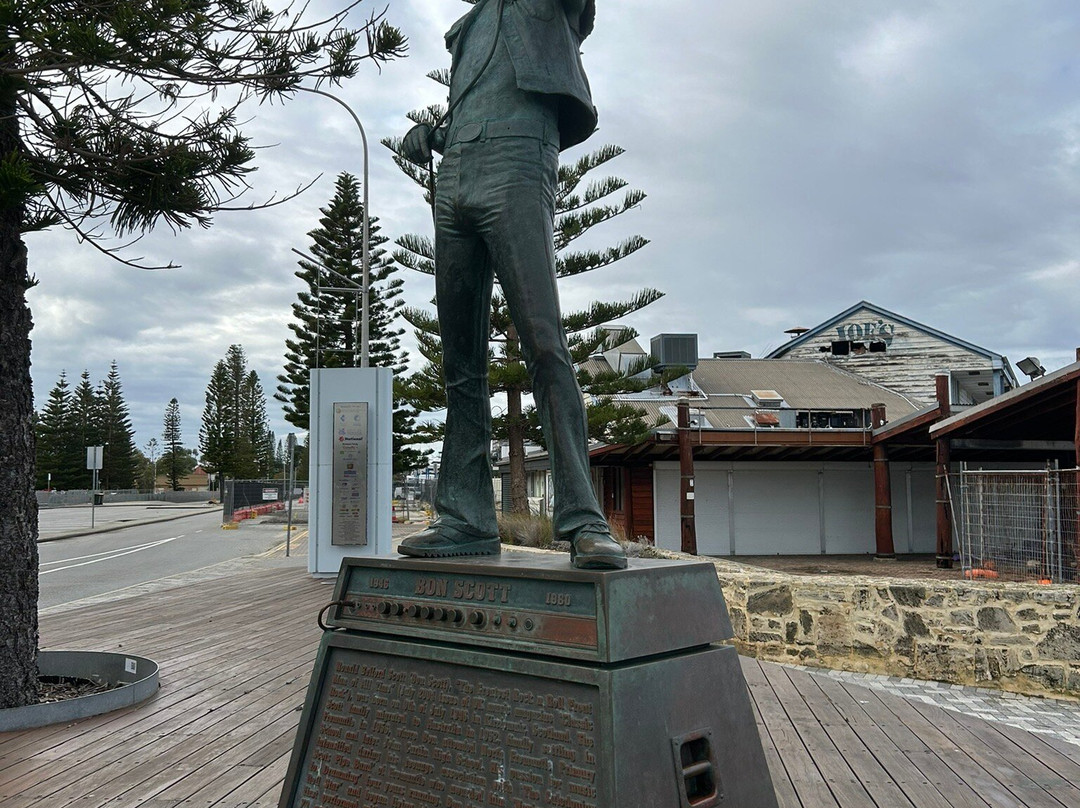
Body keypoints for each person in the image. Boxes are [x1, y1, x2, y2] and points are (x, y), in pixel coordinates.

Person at [398, 0, 625, 570]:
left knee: (545, 343)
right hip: (454, 172)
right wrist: (434, 132)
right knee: (460, 364)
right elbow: (476, 92)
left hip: (520, 156)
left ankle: (582, 522)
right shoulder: (468, 28)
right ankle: (465, 519)